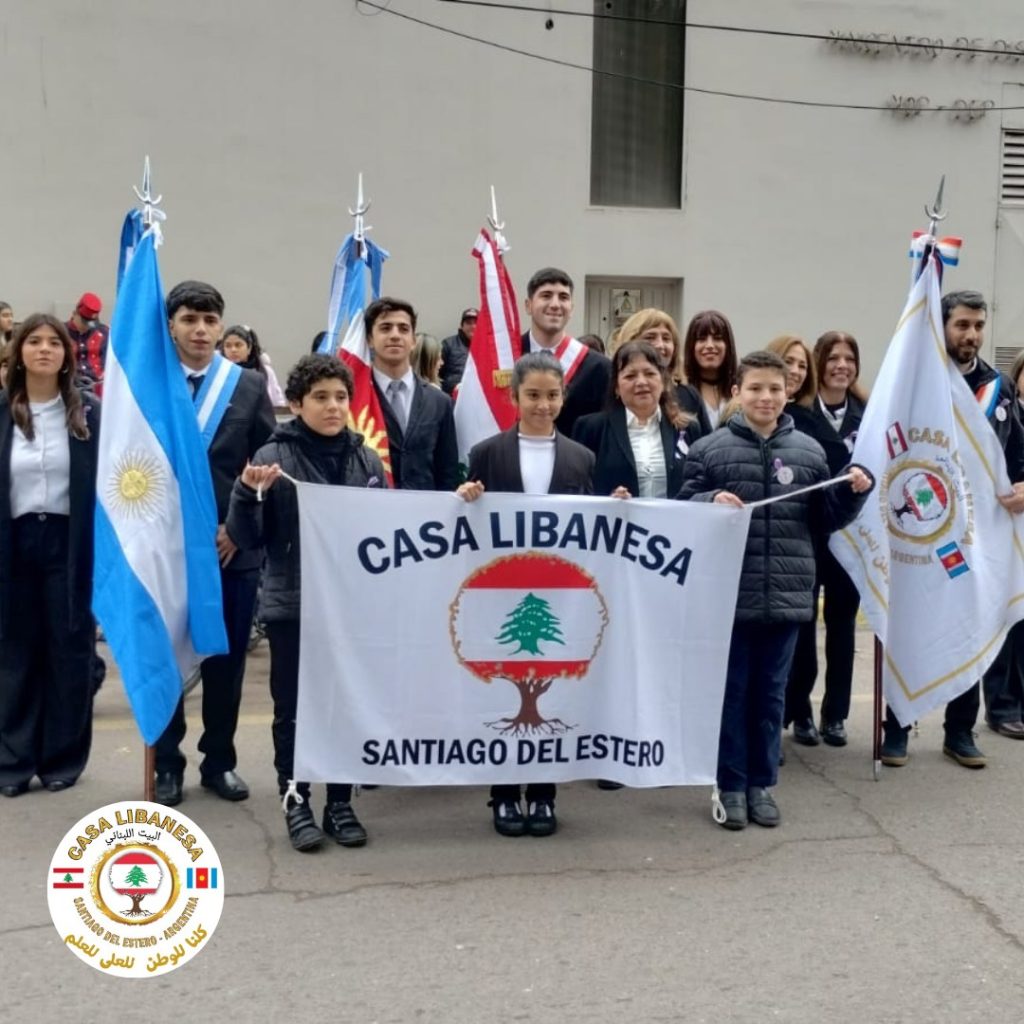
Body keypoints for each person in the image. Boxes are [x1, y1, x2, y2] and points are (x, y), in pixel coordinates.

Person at [678, 351, 872, 830]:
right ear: (737, 392)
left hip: (787, 596)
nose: (765, 397)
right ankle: (730, 783)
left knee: (771, 696)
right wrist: (708, 500)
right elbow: (682, 507)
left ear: (788, 393)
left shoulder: (809, 451)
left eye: (775, 389)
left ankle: (761, 784)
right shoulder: (709, 448)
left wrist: (852, 493)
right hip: (729, 597)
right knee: (733, 694)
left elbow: (824, 518)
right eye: (755, 388)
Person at [227, 355, 385, 851]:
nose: (333, 406)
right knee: (293, 707)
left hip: (352, 606)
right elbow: (247, 538)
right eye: (320, 397)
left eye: (341, 397)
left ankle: (339, 801)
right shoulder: (272, 457)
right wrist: (247, 494)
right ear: (295, 404)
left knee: (344, 703)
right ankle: (295, 799)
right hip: (293, 605)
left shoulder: (367, 460)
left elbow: (384, 531)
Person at [883, 291, 1024, 767]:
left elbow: (1018, 453)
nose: (972, 335)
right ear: (941, 326)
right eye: (962, 325)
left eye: (978, 325)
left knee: (971, 622)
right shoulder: (915, 378)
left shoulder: (998, 386)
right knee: (908, 623)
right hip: (920, 528)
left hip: (976, 535)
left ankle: (959, 731)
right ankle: (896, 726)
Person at [457, 351, 595, 837]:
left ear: (563, 398)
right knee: (502, 689)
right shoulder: (487, 453)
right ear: (514, 397)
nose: (543, 405)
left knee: (551, 690)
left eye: (552, 395)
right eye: (533, 395)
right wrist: (465, 497)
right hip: (501, 588)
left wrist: (616, 506)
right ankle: (502, 794)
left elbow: (594, 525)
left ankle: (542, 793)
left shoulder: (581, 457)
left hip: (559, 592)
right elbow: (466, 520)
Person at [153, 281, 277, 807]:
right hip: (163, 552)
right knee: (165, 660)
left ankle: (219, 761)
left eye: (209, 321)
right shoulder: (150, 381)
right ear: (171, 326)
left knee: (225, 663)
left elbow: (268, 461)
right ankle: (166, 764)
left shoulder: (246, 386)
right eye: (189, 319)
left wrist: (239, 528)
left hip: (230, 550)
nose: (201, 330)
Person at [0, 314, 100, 796]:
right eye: (34, 341)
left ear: (67, 354)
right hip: (13, 542)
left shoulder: (89, 414)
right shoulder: (3, 410)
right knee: (14, 653)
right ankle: (13, 762)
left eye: (54, 343)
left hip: (69, 541)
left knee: (69, 650)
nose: (44, 349)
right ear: (19, 351)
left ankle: (62, 758)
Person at [782, 331, 866, 748]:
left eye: (849, 358)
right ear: (820, 363)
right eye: (832, 358)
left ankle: (836, 714)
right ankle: (800, 710)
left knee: (842, 624)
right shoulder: (797, 414)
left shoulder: (869, 415)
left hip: (852, 535)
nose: (841, 366)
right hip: (808, 532)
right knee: (802, 624)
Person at [573, 339, 699, 499]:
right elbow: (579, 489)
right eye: (630, 376)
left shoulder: (687, 428)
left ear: (663, 381)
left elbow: (698, 483)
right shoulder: (591, 428)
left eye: (650, 374)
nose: (641, 382)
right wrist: (607, 500)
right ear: (616, 387)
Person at [368, 297, 459, 491]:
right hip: (371, 505)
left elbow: (447, 471)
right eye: (385, 328)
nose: (395, 335)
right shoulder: (356, 400)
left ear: (413, 341)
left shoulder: (440, 402)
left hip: (425, 507)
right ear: (370, 339)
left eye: (403, 329)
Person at [520, 268, 612, 438]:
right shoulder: (506, 357)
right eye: (546, 296)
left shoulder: (599, 368)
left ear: (571, 308)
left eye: (563, 297)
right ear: (528, 305)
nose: (555, 304)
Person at [614, 308, 710, 436]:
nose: (660, 345)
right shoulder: (614, 394)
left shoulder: (689, 396)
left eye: (666, 338)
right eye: (650, 338)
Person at [681, 310, 739, 430]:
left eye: (717, 339)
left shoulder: (741, 390)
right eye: (701, 339)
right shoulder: (681, 392)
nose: (710, 345)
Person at [218, 324, 286, 406]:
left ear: (249, 348)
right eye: (228, 346)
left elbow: (278, 402)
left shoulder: (265, 371)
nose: (233, 350)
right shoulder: (219, 372)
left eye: (238, 345)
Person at [65, 292, 109, 392]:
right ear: (75, 314)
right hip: (69, 388)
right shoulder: (61, 332)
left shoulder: (104, 333)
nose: (88, 327)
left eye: (91, 323)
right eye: (84, 322)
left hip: (98, 387)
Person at [440, 307, 477, 395]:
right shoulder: (448, 345)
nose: (473, 326)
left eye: (476, 323)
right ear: (461, 326)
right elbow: (436, 375)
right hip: (452, 398)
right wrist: (453, 387)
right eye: (468, 323)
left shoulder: (487, 346)